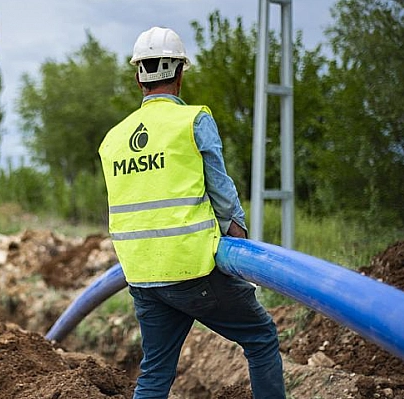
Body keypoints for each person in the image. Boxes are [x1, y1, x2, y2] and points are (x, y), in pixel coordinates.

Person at [98, 27, 285, 398]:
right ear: (181, 72)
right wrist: (239, 241)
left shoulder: (113, 139)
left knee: (153, 374)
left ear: (139, 77)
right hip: (193, 269)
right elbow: (220, 188)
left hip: (142, 277)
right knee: (261, 337)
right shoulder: (193, 120)